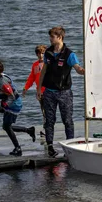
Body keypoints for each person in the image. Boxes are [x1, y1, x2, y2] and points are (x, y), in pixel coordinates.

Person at [37, 26, 85, 158]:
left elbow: (77, 68)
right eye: (50, 37)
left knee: (67, 120)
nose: (50, 39)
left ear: (60, 37)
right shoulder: (48, 52)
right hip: (49, 92)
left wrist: (83, 71)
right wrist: (39, 88)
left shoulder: (69, 54)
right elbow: (44, 71)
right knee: (49, 121)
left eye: (52, 37)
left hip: (64, 93)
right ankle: (50, 147)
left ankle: (70, 148)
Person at [0, 60, 35, 156]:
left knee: (6, 126)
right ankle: (29, 130)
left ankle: (18, 148)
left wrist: (4, 106)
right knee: (6, 126)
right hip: (9, 103)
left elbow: (12, 96)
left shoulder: (2, 81)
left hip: (14, 104)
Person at [22, 45, 47, 137]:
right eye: (39, 53)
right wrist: (26, 88)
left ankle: (46, 129)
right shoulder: (35, 65)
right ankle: (46, 129)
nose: (41, 55)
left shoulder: (48, 64)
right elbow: (31, 78)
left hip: (49, 91)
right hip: (39, 92)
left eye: (43, 53)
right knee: (44, 111)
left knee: (48, 111)